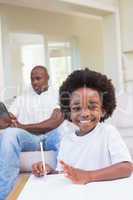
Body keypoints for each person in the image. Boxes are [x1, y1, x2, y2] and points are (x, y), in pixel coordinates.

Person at [32, 68, 132, 184]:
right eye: (77, 108)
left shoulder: (108, 132)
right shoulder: (66, 140)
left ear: (103, 110)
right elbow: (64, 173)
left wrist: (88, 176)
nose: (84, 114)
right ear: (69, 111)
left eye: (92, 107)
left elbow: (126, 168)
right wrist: (48, 170)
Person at [0, 65, 64, 200]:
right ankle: (5, 195)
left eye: (38, 78)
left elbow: (54, 122)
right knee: (9, 134)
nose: (34, 82)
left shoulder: (59, 95)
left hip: (51, 135)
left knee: (62, 132)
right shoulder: (22, 98)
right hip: (31, 139)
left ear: (47, 78)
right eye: (32, 79)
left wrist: (22, 127)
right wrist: (5, 119)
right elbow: (7, 120)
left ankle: (63, 183)